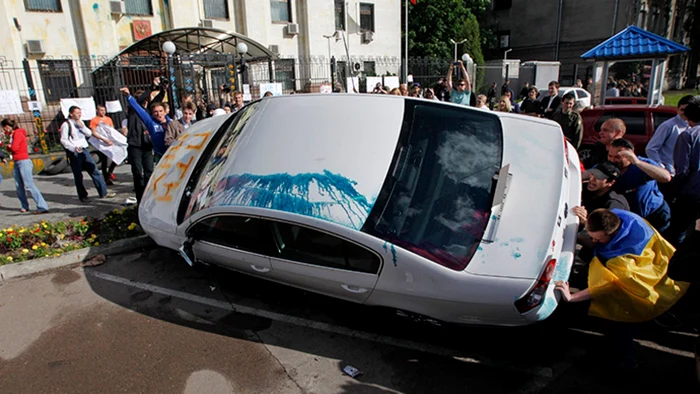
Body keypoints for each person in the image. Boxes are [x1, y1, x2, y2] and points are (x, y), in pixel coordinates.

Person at [556, 208, 688, 369]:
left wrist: (572, 297)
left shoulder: (620, 260)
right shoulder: (627, 218)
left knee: (620, 322)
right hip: (662, 272)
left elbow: (606, 285)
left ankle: (626, 364)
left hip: (641, 290)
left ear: (610, 234)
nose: (593, 240)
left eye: (597, 238)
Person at [608, 138, 672, 233]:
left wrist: (637, 162)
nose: (613, 160)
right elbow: (590, 174)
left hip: (654, 215)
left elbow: (666, 177)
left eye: (617, 157)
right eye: (610, 156)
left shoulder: (643, 164)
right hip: (630, 218)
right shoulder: (608, 166)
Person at [60, 106, 115, 202]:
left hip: (84, 149)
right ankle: (83, 196)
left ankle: (103, 192)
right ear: (71, 114)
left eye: (80, 112)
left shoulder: (80, 123)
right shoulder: (66, 125)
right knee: (78, 175)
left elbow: (89, 134)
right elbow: (63, 140)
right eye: (77, 112)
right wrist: (73, 148)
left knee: (94, 170)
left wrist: (82, 126)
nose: (79, 114)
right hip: (75, 151)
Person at [668, 97, 700, 246]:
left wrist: (674, 190)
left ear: (687, 117)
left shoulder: (688, 136)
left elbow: (682, 170)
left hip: (690, 194)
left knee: (678, 231)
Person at [1, 119, 49, 213]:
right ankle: (24, 205)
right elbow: (11, 148)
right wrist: (9, 146)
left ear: (7, 126)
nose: (4, 131)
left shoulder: (18, 133)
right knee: (19, 185)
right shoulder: (12, 135)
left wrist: (10, 146)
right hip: (17, 161)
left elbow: (14, 148)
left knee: (29, 184)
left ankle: (42, 206)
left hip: (23, 161)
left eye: (4, 128)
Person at [645, 95, 693, 177]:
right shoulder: (668, 126)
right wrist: (661, 168)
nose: (685, 113)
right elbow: (651, 148)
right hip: (670, 174)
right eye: (682, 110)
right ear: (677, 109)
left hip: (687, 174)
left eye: (688, 110)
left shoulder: (694, 127)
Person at [121, 86, 171, 158]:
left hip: (172, 153)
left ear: (165, 112)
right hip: (160, 155)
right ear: (153, 113)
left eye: (161, 111)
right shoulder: (151, 122)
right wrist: (128, 96)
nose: (159, 114)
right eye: (155, 112)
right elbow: (139, 110)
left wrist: (163, 89)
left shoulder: (171, 123)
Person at [89, 104, 118, 185]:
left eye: (104, 110)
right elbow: (93, 132)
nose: (103, 112)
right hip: (101, 143)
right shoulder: (94, 120)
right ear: (97, 111)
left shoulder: (108, 119)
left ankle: (110, 172)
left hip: (110, 141)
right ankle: (106, 178)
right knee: (104, 161)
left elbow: (112, 130)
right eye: (101, 110)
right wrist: (103, 139)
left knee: (116, 157)